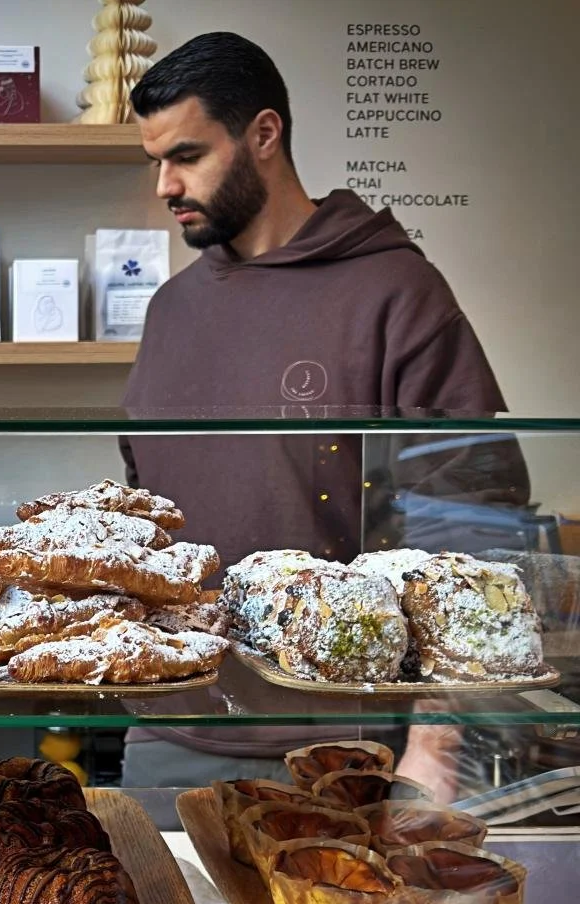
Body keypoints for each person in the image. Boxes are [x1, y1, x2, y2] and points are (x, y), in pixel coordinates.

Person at [119, 32, 515, 801]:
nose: (166, 185)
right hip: (168, 737)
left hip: (346, 745)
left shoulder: (396, 293)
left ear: (264, 134)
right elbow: (151, 522)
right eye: (156, 162)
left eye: (188, 156)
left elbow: (470, 529)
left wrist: (437, 744)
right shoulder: (170, 311)